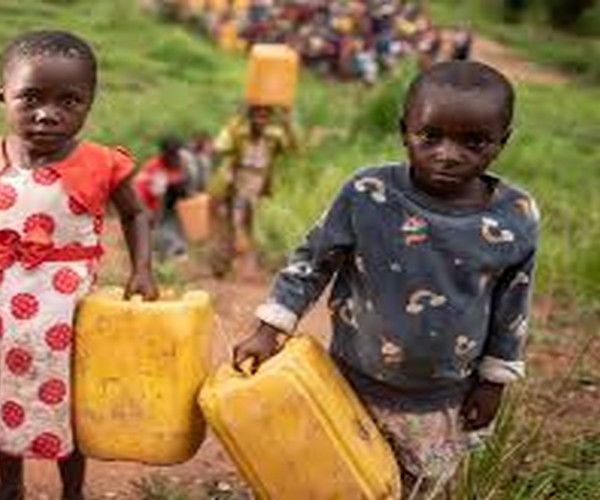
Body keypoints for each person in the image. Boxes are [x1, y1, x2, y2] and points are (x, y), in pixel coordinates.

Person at [234, 61, 538, 497]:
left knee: (416, 487)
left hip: (442, 398)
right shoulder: (368, 193)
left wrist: (494, 383)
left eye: (474, 142)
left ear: (501, 142)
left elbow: (513, 307)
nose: (448, 154)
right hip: (349, 380)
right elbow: (313, 260)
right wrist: (270, 329)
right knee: (337, 475)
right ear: (404, 130)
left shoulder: (514, 217)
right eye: (430, 136)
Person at [0, 30, 158, 500]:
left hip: (61, 310)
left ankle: (74, 493)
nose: (49, 113)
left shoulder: (99, 163)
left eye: (69, 101)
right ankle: (11, 485)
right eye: (31, 98)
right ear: (2, 95)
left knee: (64, 398)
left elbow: (135, 213)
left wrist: (142, 268)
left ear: (89, 103)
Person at [210, 104, 298, 277]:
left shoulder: (274, 136)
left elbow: (293, 149)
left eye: (265, 117)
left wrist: (287, 123)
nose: (261, 120)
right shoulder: (238, 133)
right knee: (232, 223)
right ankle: (224, 263)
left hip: (258, 184)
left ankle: (246, 264)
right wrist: (236, 120)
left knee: (250, 225)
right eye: (257, 116)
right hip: (236, 182)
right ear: (250, 118)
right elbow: (219, 147)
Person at [134, 136, 190, 259]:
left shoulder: (182, 163)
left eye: (177, 156)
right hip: (152, 208)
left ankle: (174, 245)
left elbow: (183, 186)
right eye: (173, 156)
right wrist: (146, 212)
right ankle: (162, 247)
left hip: (171, 206)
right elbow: (140, 193)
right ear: (165, 155)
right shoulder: (155, 169)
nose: (176, 159)